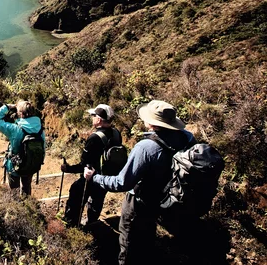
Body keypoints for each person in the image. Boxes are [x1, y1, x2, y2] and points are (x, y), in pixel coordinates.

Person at [83, 100, 196, 265]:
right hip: (168, 196)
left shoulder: (146, 147)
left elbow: (122, 183)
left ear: (152, 123)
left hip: (141, 201)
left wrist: (95, 177)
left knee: (128, 242)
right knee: (147, 236)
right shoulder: (187, 138)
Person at [61, 104, 122, 227]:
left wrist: (68, 169)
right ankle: (91, 222)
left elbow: (84, 165)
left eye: (93, 116)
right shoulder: (116, 133)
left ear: (99, 120)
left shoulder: (95, 138)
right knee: (97, 199)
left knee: (76, 193)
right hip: (107, 176)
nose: (91, 118)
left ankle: (72, 225)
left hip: (91, 177)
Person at [0, 100, 45, 196]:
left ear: (21, 114)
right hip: (31, 165)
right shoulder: (40, 130)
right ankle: (28, 206)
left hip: (14, 166)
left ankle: (17, 208)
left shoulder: (15, 129)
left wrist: (7, 107)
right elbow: (43, 149)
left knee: (14, 191)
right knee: (26, 188)